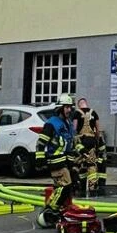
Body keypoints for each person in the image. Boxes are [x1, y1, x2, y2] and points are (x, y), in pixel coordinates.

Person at [36, 93, 77, 226]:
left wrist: (78, 157)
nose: (69, 110)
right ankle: (51, 210)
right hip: (56, 161)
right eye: (66, 107)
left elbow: (72, 143)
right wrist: (40, 159)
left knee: (65, 187)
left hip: (65, 162)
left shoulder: (68, 124)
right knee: (65, 186)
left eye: (70, 107)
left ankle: (56, 210)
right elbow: (41, 143)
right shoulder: (51, 124)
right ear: (60, 108)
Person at [72, 97, 101, 196]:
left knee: (77, 163)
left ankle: (77, 184)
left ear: (79, 105)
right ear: (86, 103)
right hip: (91, 141)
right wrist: (96, 140)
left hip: (81, 141)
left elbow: (74, 128)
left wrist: (73, 140)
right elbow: (97, 129)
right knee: (91, 164)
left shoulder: (76, 113)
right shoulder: (94, 113)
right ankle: (92, 186)